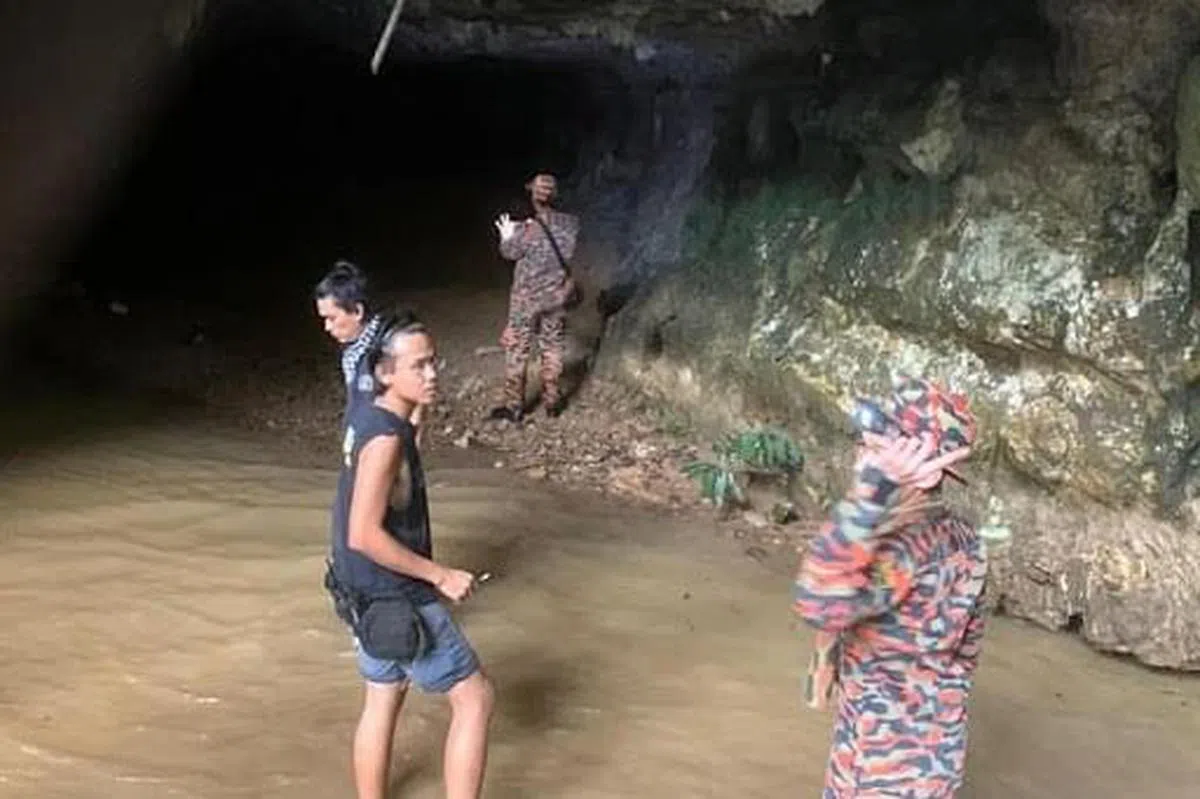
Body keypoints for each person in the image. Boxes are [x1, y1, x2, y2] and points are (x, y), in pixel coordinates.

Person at [324, 310, 494, 799]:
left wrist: (418, 411)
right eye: (419, 366)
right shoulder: (385, 440)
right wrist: (441, 575)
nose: (433, 373)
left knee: (383, 696)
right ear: (385, 371)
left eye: (434, 362)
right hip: (395, 595)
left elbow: (395, 469)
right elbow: (363, 533)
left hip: (359, 596)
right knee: (476, 699)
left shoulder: (368, 415)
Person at [792, 377, 987, 799]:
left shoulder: (899, 550)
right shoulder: (966, 539)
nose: (862, 459)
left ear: (926, 471)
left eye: (879, 450)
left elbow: (817, 601)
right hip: (936, 754)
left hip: (880, 768)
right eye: (864, 446)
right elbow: (967, 654)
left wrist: (870, 492)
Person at [490, 172, 580, 422]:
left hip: (526, 299)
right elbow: (568, 253)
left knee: (518, 349)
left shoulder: (527, 229)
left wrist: (506, 234)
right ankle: (552, 402)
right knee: (552, 346)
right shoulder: (571, 225)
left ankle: (514, 406)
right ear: (556, 194)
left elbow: (510, 252)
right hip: (556, 296)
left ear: (532, 195)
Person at [314, 260, 425, 437]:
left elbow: (416, 402)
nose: (327, 327)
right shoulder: (354, 351)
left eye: (332, 318)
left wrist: (407, 445)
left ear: (357, 311)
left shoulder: (389, 347)